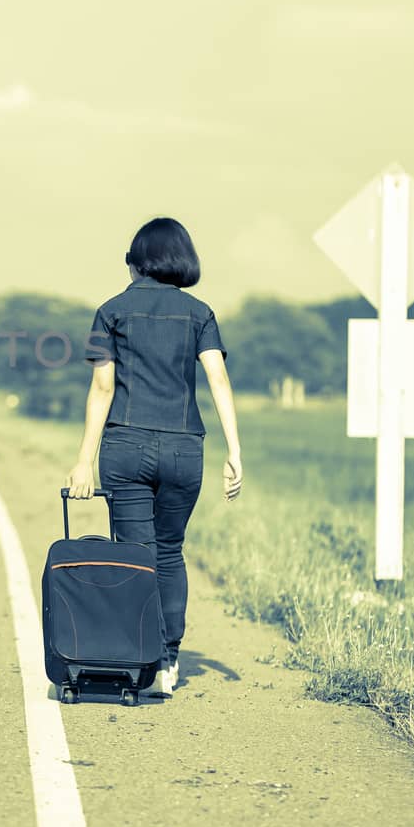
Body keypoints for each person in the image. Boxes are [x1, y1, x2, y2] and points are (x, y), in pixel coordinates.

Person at [64, 217, 242, 698]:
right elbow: (218, 380)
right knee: (169, 553)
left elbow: (103, 387)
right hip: (186, 446)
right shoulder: (200, 313)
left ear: (137, 263)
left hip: (126, 445)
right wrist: (235, 450)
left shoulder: (111, 311)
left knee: (136, 556)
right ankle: (168, 661)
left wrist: (84, 460)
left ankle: (140, 657)